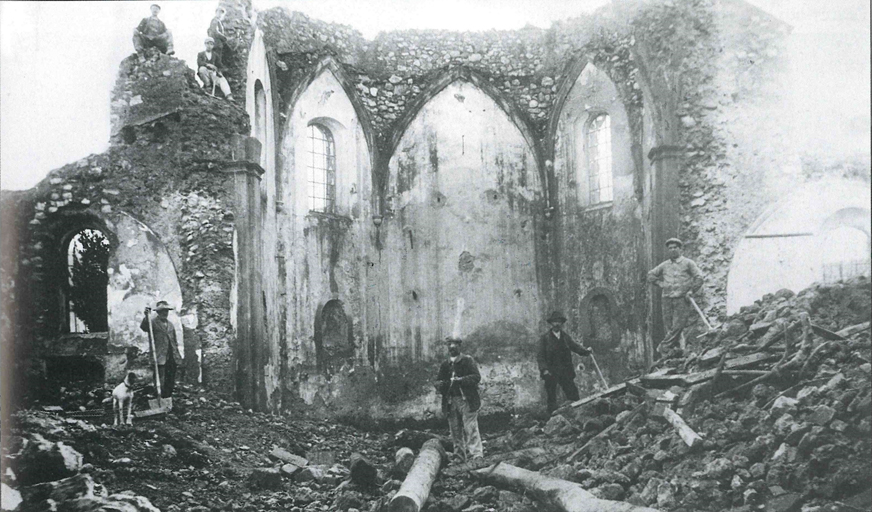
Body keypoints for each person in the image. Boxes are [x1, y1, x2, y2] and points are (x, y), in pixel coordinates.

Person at [647, 238, 704, 351]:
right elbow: (650, 275)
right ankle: (673, 351)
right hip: (667, 298)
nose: (672, 250)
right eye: (670, 248)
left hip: (682, 299)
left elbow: (699, 278)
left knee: (678, 326)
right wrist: (660, 283)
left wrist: (691, 291)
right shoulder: (664, 265)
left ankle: (664, 346)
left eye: (675, 247)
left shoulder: (688, 263)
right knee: (668, 326)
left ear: (680, 249)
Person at [435, 337, 484, 462]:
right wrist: (441, 385)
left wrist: (461, 381)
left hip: (466, 400)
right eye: (449, 345)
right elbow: (439, 380)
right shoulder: (445, 364)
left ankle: (476, 455)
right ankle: (459, 456)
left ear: (459, 346)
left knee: (470, 428)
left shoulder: (468, 361)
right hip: (451, 401)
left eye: (454, 345)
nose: (452, 348)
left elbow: (476, 377)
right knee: (455, 430)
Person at [537, 311, 592, 414]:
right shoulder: (545, 338)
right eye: (554, 321)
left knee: (573, 395)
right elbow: (540, 356)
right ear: (551, 323)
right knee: (552, 397)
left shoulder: (565, 337)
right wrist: (544, 369)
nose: (557, 324)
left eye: (559, 321)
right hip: (551, 372)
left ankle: (577, 416)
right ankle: (552, 421)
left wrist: (586, 352)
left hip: (565, 371)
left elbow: (575, 347)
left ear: (562, 323)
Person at [140, 300, 182, 398]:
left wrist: (178, 355)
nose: (165, 313)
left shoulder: (170, 324)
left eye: (166, 311)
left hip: (171, 355)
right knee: (160, 378)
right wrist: (146, 316)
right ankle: (159, 396)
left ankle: (168, 397)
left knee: (170, 377)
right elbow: (144, 327)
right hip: (160, 355)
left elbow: (174, 341)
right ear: (158, 312)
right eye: (162, 311)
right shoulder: (153, 323)